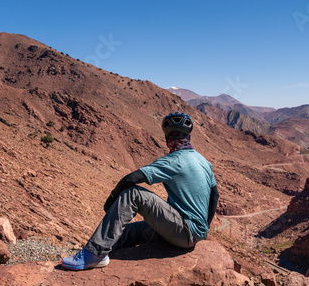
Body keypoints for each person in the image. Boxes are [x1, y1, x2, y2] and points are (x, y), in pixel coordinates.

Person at [62, 112, 219, 270]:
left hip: (184, 232)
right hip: (193, 233)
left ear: (168, 140)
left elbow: (132, 178)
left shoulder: (174, 160)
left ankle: (94, 254)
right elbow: (214, 195)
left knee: (133, 194)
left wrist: (112, 198)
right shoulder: (203, 161)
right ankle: (99, 252)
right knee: (130, 232)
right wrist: (203, 228)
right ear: (189, 138)